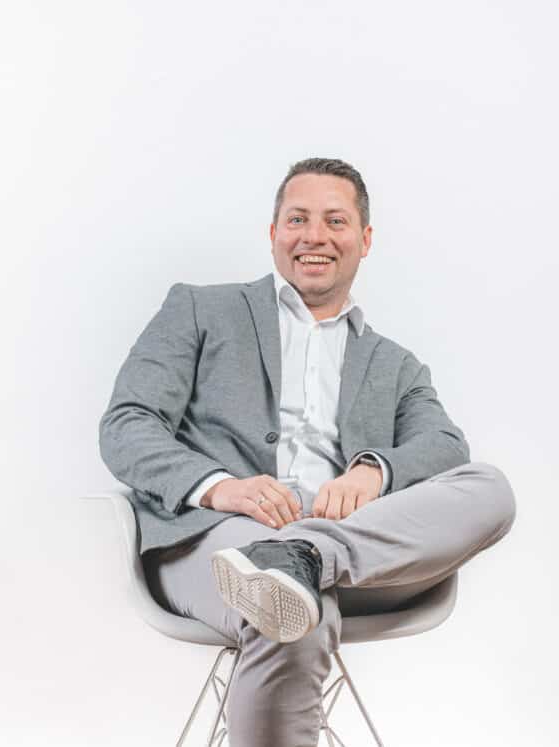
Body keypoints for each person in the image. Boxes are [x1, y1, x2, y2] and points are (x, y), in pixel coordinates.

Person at [99, 157, 516, 747]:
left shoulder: (397, 365)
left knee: (490, 488)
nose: (314, 236)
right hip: (217, 540)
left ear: (365, 240)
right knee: (287, 611)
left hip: (356, 549)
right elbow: (125, 424)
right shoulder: (199, 309)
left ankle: (303, 556)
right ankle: (286, 568)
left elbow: (445, 446)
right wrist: (221, 485)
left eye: (335, 221)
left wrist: (374, 474)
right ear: (273, 235)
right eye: (297, 219)